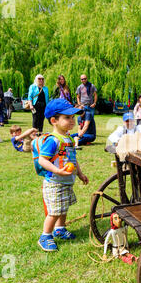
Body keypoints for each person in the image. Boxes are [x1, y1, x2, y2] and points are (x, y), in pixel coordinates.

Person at [37, 98, 89, 252]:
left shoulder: (69, 139)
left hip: (67, 181)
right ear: (54, 120)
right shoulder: (53, 140)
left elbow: (73, 159)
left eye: (73, 117)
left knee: (63, 207)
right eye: (67, 117)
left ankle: (60, 229)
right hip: (55, 182)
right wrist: (57, 170)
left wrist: (80, 173)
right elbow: (42, 160)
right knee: (54, 211)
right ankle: (45, 236)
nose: (72, 120)